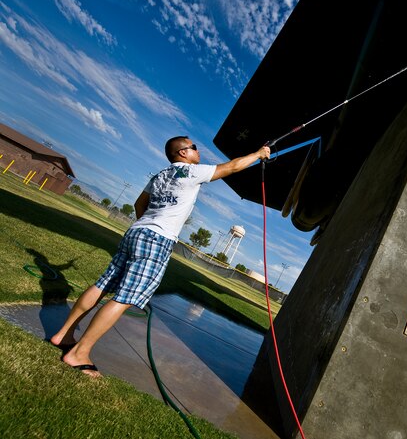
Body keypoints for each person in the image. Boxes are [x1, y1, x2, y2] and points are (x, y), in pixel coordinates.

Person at [50, 136, 270, 377]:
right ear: (183, 154)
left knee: (103, 285)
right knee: (126, 297)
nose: (198, 151)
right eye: (193, 147)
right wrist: (259, 153)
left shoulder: (160, 176)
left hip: (137, 231)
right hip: (157, 239)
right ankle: (78, 353)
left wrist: (146, 226)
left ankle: (64, 334)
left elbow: (138, 204)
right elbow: (233, 166)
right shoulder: (191, 172)